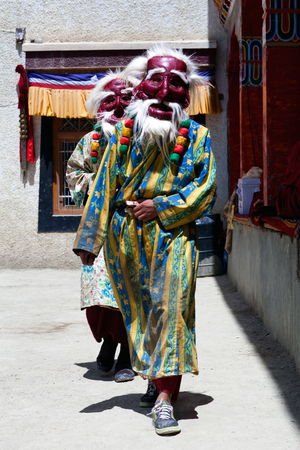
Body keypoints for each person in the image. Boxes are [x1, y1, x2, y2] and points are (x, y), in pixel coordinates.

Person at [73, 45, 217, 435]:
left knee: (169, 312)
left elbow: (206, 189)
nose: (165, 90)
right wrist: (91, 239)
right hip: (125, 241)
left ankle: (167, 400)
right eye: (157, 80)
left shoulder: (199, 136)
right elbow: (103, 185)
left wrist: (162, 206)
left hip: (174, 237)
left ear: (186, 94)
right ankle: (155, 376)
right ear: (141, 87)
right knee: (139, 314)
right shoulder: (121, 134)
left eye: (175, 83)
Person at [66, 70, 138, 382]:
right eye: (111, 99)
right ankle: (109, 341)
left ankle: (127, 354)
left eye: (126, 98)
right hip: (100, 231)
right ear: (101, 105)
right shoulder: (90, 141)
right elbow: (73, 171)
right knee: (103, 294)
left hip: (135, 228)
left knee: (131, 293)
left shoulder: (144, 139)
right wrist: (100, 184)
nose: (119, 106)